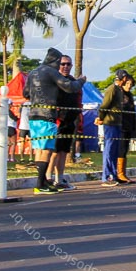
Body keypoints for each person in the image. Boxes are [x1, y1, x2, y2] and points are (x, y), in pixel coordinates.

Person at [23, 48, 86, 194]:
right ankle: (40, 184)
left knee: (39, 149)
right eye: (60, 62)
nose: (61, 66)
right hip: (47, 115)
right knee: (47, 149)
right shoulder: (51, 72)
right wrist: (82, 80)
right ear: (55, 61)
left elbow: (25, 93)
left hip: (33, 115)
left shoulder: (33, 72)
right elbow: (70, 87)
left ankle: (43, 181)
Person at [51, 55, 82, 188]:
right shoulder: (54, 80)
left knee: (64, 150)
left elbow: (78, 99)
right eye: (63, 64)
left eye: (68, 64)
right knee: (54, 150)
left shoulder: (73, 81)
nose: (65, 67)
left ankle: (60, 178)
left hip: (69, 120)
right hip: (56, 120)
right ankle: (48, 177)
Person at [96, 69, 130, 186]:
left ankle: (114, 174)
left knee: (115, 151)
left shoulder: (119, 90)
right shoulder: (112, 89)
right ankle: (107, 177)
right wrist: (100, 118)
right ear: (123, 78)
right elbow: (104, 105)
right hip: (110, 123)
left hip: (117, 123)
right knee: (109, 150)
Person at [117, 73, 136, 183]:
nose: (129, 86)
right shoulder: (119, 94)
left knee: (125, 150)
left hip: (129, 125)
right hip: (120, 125)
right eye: (128, 83)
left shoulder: (130, 95)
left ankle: (122, 173)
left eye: (131, 84)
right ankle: (119, 173)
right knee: (120, 149)